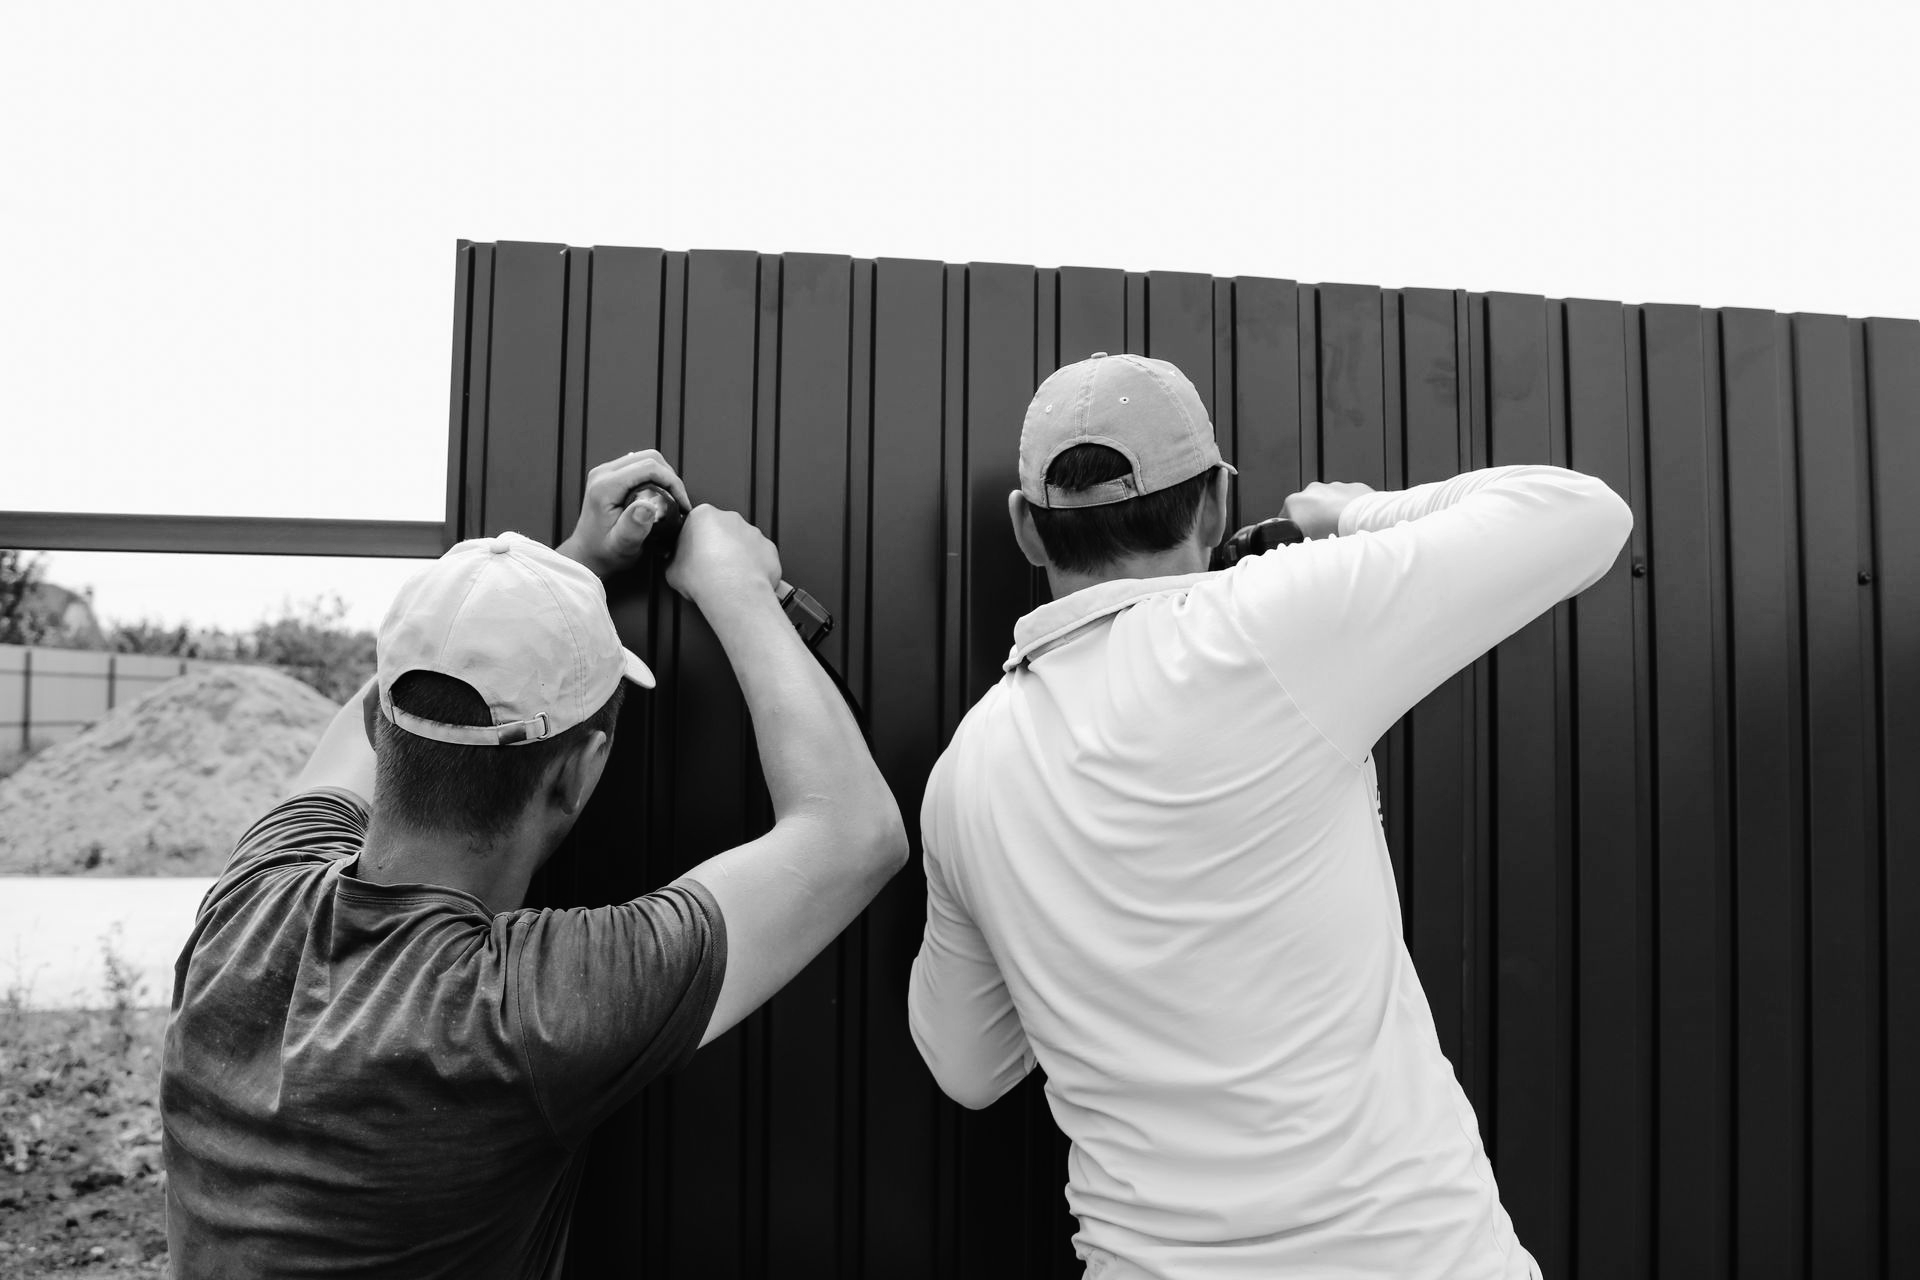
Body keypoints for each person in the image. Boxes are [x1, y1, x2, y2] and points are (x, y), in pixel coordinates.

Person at [908, 353, 1632, 1279]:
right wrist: (1347, 513)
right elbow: (1582, 514)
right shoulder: (1263, 627)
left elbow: (968, 1069)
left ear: (1026, 530)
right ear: (1212, 507)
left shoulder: (965, 773)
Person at [160, 450, 907, 1278]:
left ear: (382, 722)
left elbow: (349, 740)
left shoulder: (253, 892)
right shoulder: (516, 1016)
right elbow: (855, 833)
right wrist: (734, 586)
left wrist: (567, 569)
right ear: (581, 772)